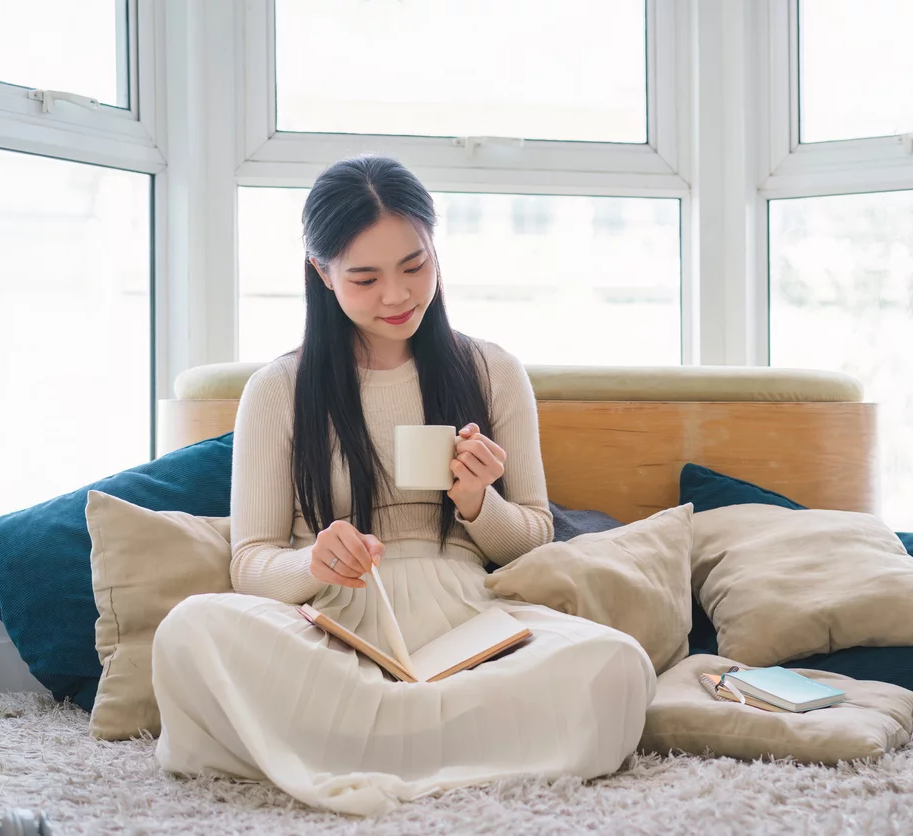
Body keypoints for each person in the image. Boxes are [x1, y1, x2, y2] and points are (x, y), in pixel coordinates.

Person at [150, 155, 656, 816]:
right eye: (365, 277)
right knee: (191, 629)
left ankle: (346, 747)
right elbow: (249, 565)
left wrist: (478, 503)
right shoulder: (278, 389)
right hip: (331, 633)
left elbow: (532, 536)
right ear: (322, 274)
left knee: (617, 665)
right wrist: (314, 560)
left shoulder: (492, 369)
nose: (397, 296)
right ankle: (450, 749)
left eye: (415, 266)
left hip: (471, 626)